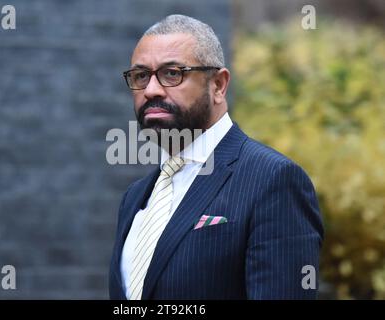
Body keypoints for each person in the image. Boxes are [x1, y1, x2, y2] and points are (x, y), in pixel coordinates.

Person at [109, 14, 324, 300]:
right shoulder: (135, 197)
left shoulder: (273, 180)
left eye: (172, 73)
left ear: (219, 85)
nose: (151, 90)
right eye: (140, 76)